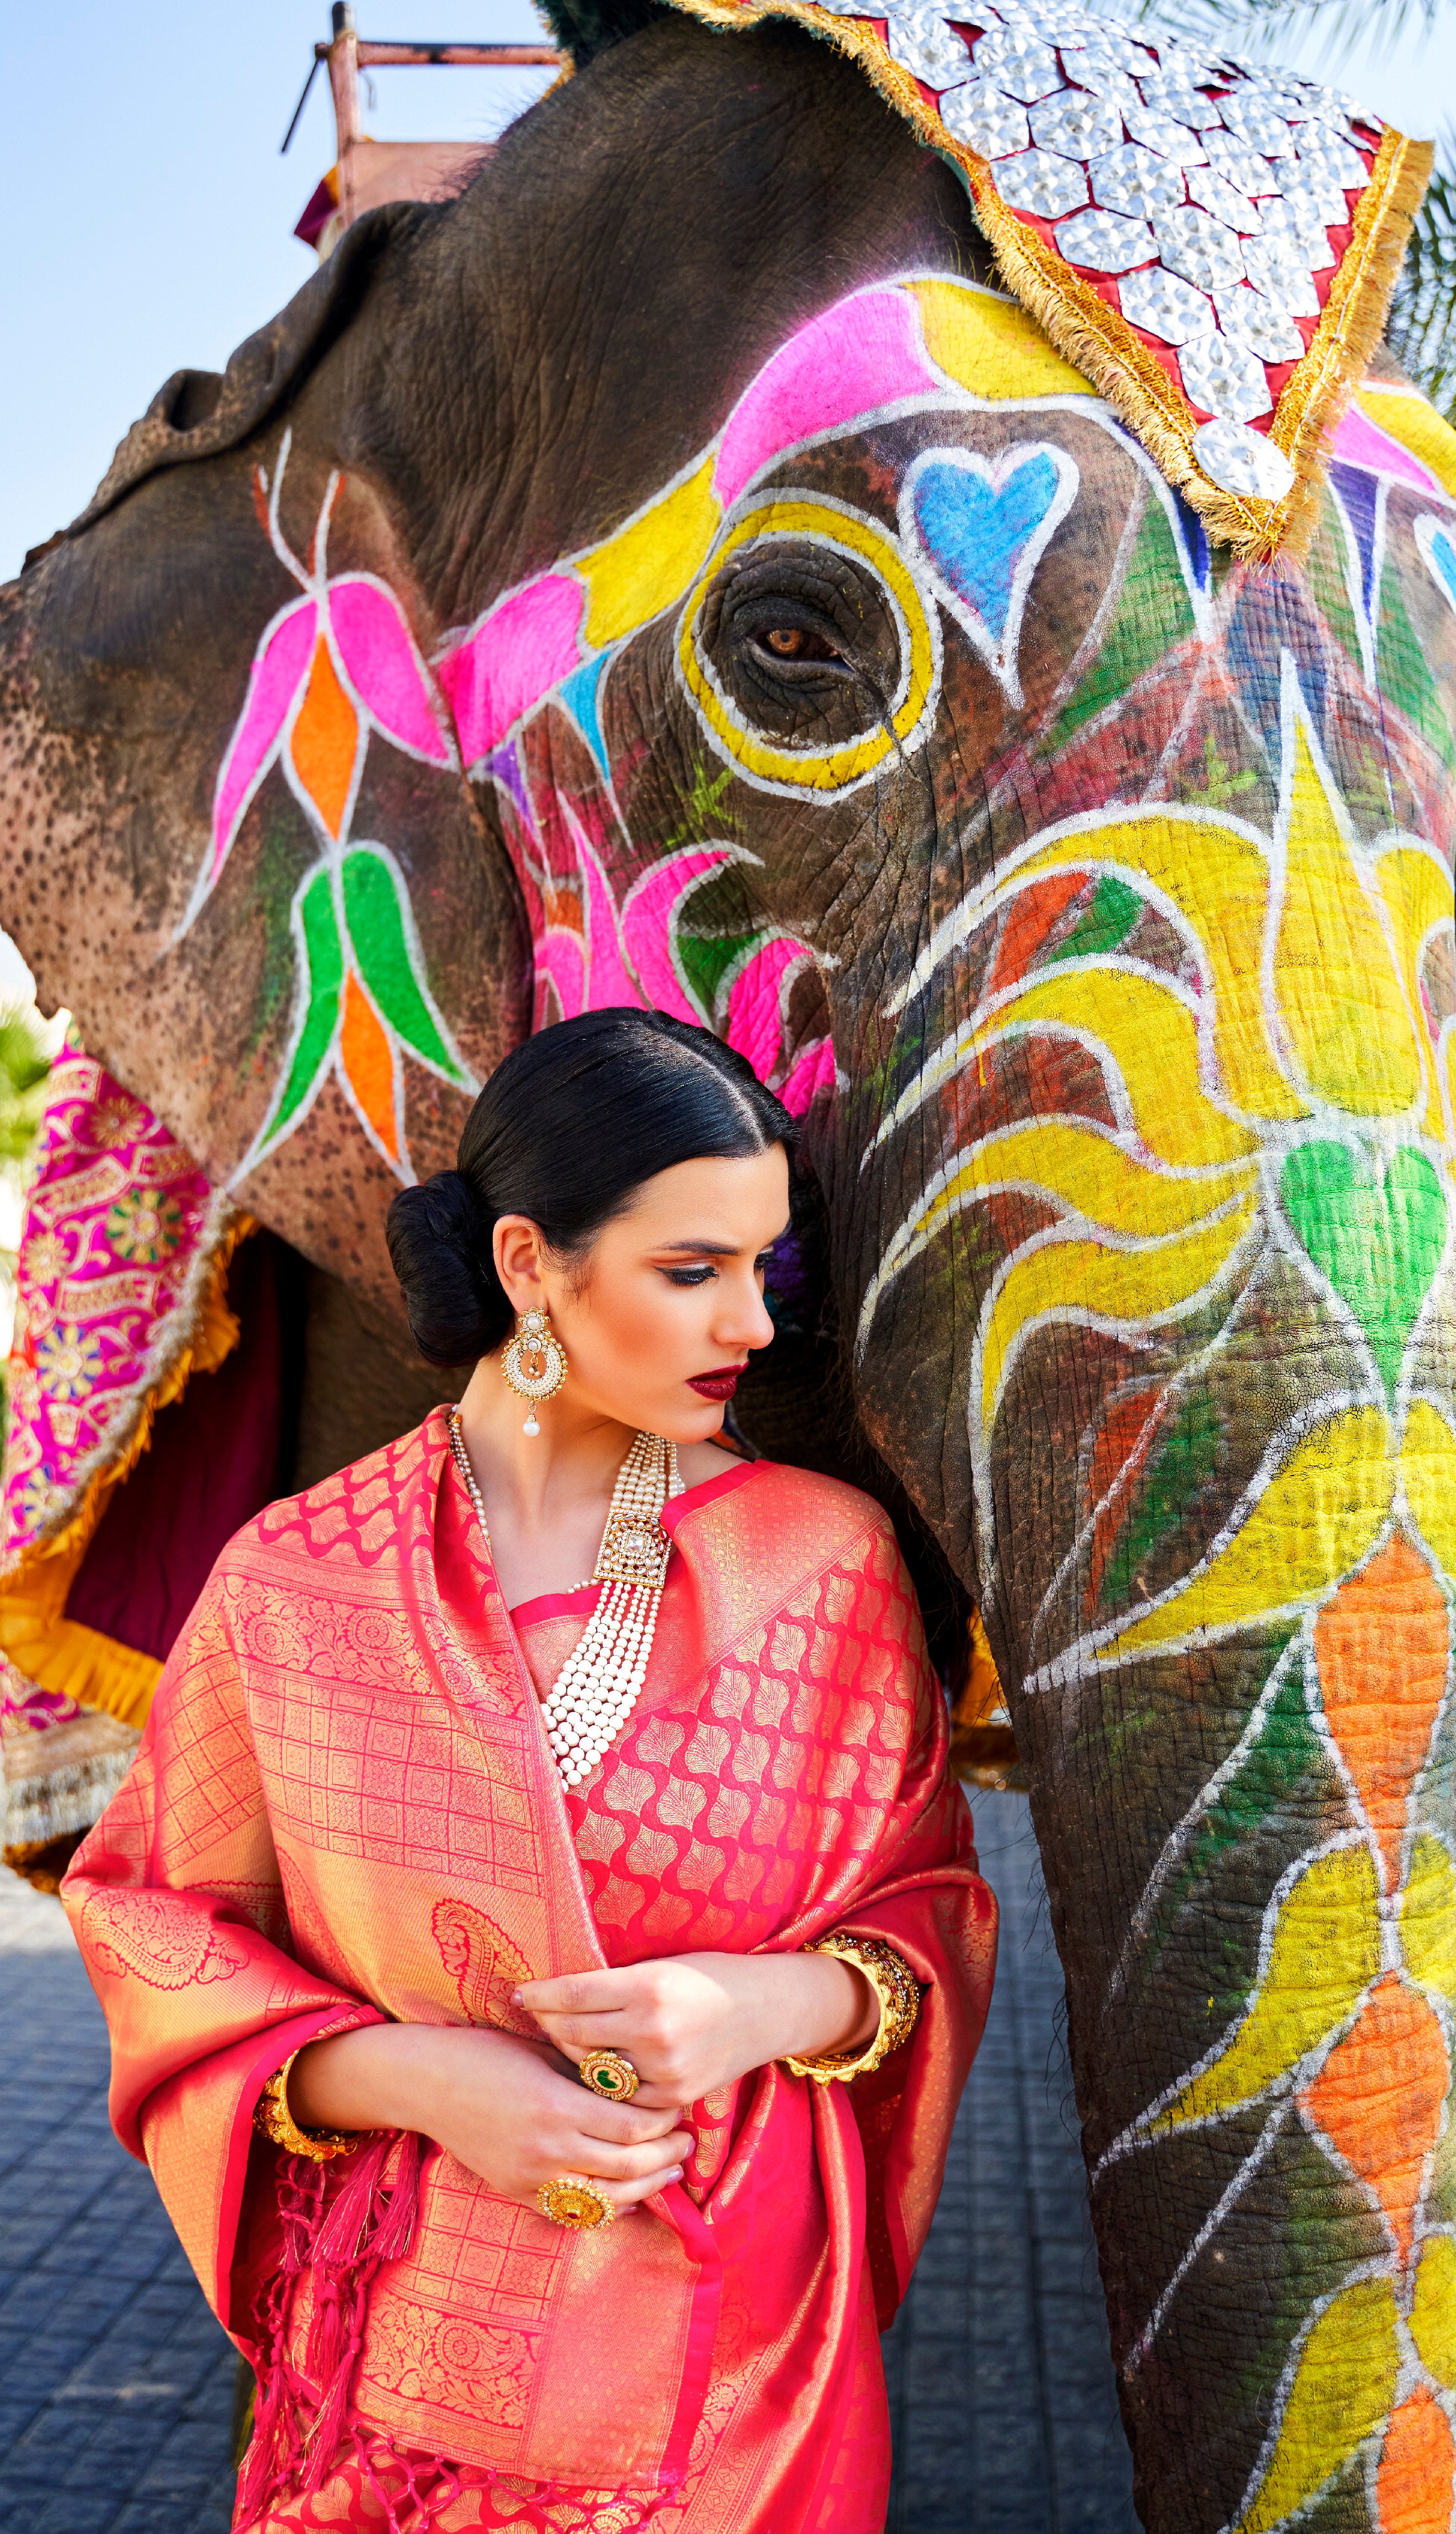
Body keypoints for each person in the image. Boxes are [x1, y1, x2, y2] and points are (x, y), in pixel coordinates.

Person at [64, 1008, 997, 2534]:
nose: (750, 1325)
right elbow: (154, 1928)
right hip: (381, 2384)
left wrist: (761, 2003)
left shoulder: (819, 1563)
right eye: (691, 1272)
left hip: (738, 2373)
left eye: (759, 1268)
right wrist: (417, 2079)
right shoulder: (297, 1584)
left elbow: (928, 1911)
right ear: (524, 1265)